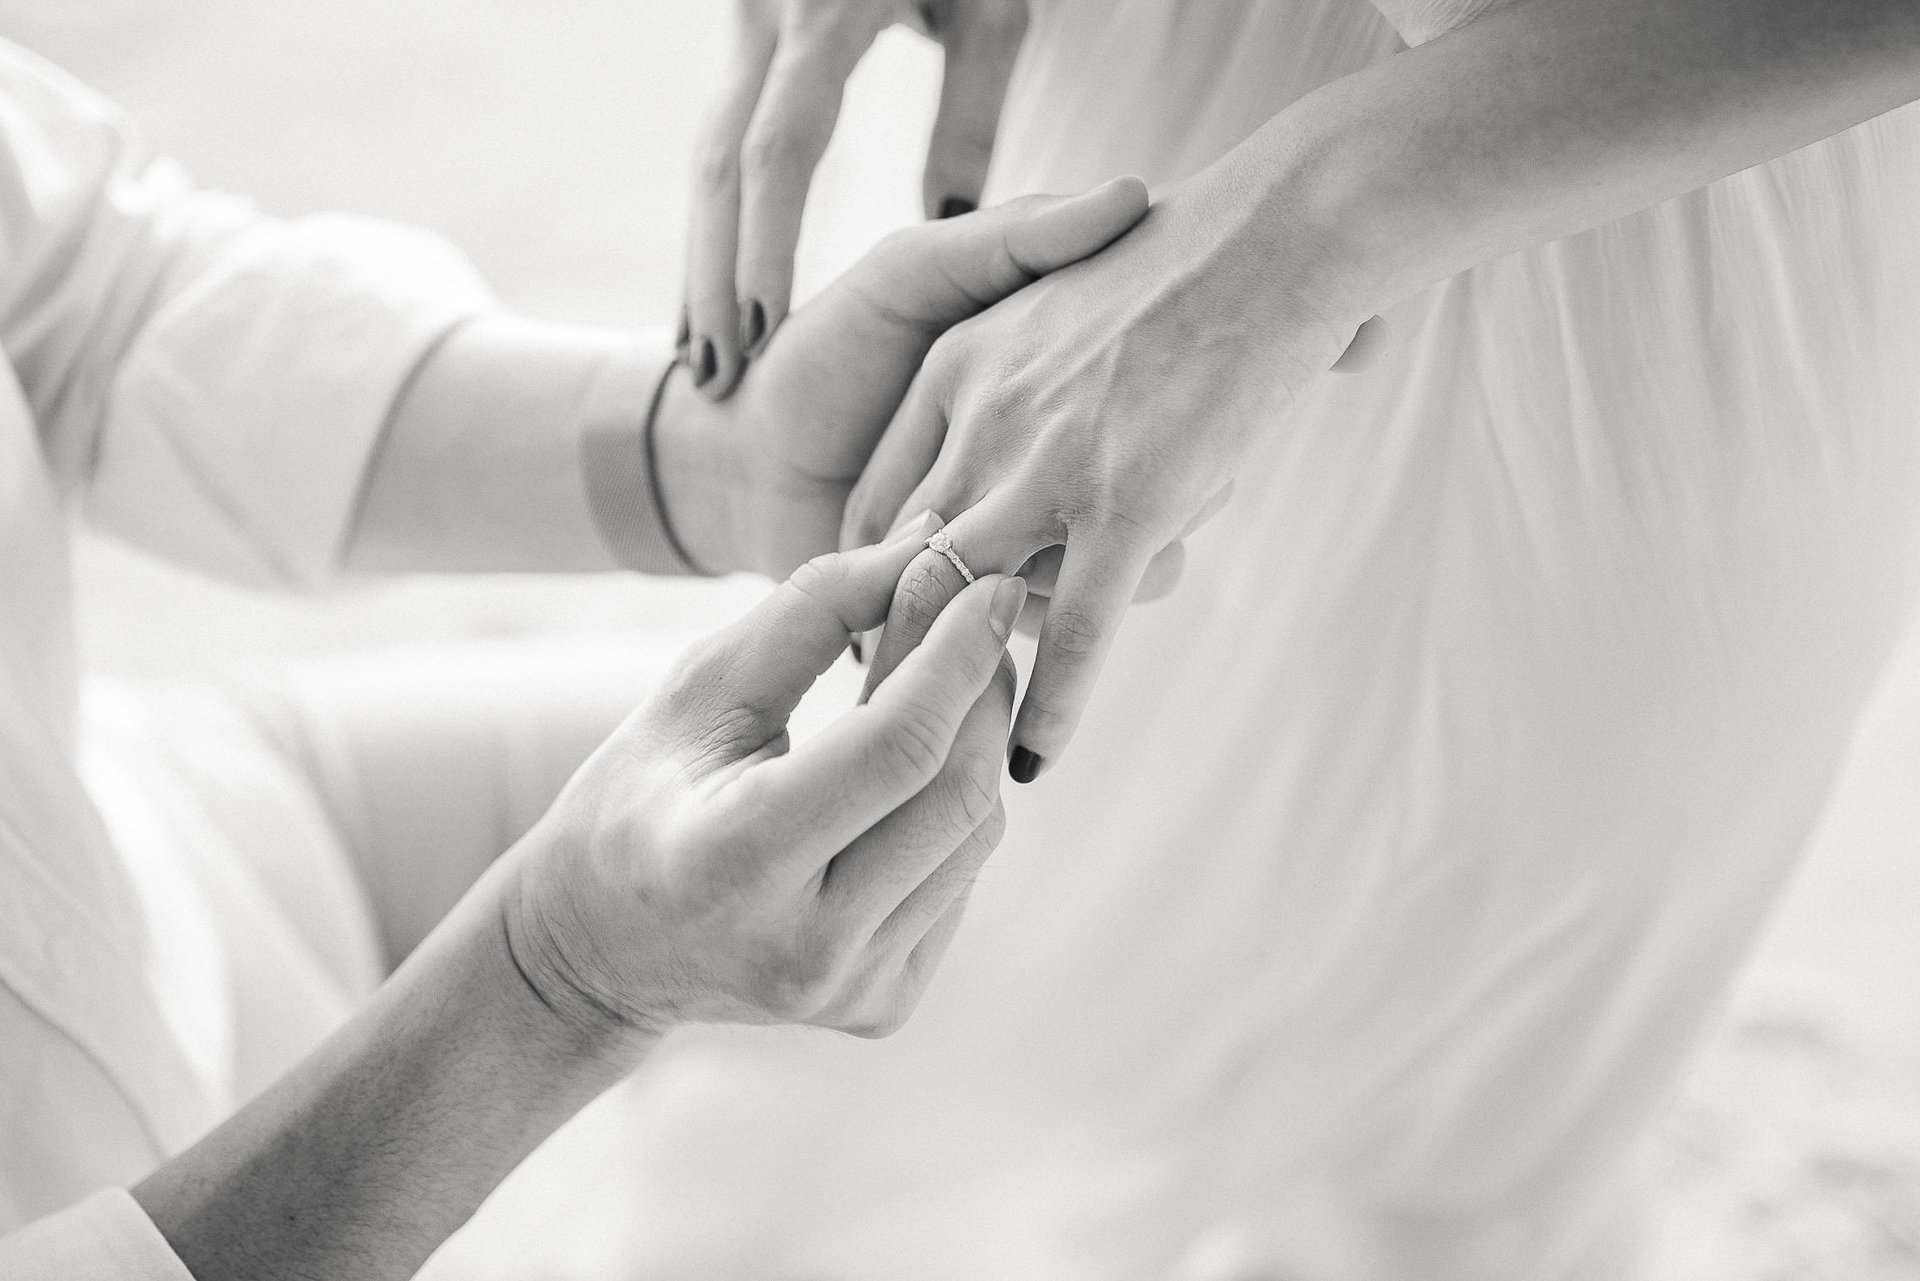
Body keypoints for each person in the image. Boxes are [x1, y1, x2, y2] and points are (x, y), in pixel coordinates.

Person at [544, 1, 1920, 1278]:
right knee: (885, 1035)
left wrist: (1304, 232)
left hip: (1620, 257)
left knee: (1457, 1140)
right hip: (1125, 195)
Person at [0, 35, 1154, 1278]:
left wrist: (705, 461)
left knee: (1088, 856)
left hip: (207, 846)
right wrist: (554, 983)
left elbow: (86, 295)